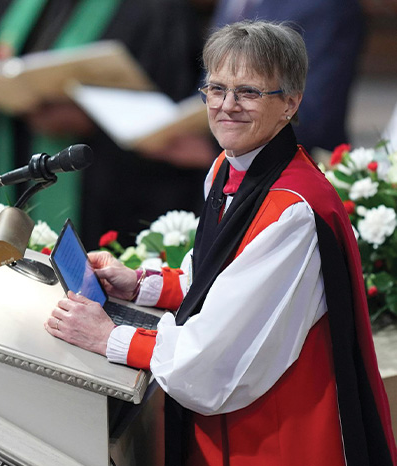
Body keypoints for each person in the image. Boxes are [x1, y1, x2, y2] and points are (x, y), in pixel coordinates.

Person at [45, 21, 397, 466]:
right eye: (216, 88)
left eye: (248, 92)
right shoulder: (232, 168)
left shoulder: (292, 210)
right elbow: (217, 276)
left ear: (290, 103)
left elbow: (210, 362)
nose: (227, 106)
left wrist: (108, 337)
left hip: (276, 438)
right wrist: (138, 285)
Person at [0, 0, 208, 248]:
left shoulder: (157, 10)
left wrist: (93, 118)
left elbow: (169, 112)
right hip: (20, 146)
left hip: (101, 189)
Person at [210, 0, 365, 153]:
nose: (228, 105)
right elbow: (211, 74)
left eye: (248, 92)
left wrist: (212, 145)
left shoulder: (325, 6)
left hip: (293, 160)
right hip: (220, 159)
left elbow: (314, 113)